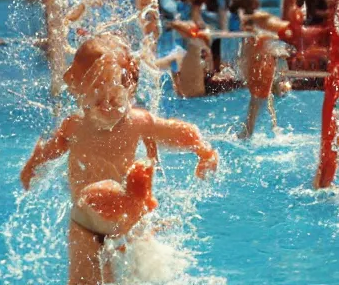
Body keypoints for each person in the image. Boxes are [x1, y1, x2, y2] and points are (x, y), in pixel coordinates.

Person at [19, 34, 218, 284]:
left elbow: (174, 130)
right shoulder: (75, 126)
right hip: (85, 222)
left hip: (127, 220)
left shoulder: (136, 122)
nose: (107, 108)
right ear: (78, 90)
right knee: (82, 281)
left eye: (114, 98)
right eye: (96, 98)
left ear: (129, 88)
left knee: (139, 276)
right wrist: (33, 166)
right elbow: (53, 148)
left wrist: (202, 149)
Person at [236, 11, 290, 139]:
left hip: (261, 70)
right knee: (259, 101)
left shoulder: (255, 38)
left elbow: (244, 60)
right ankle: (270, 128)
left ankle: (252, 130)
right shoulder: (257, 39)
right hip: (261, 70)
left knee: (257, 102)